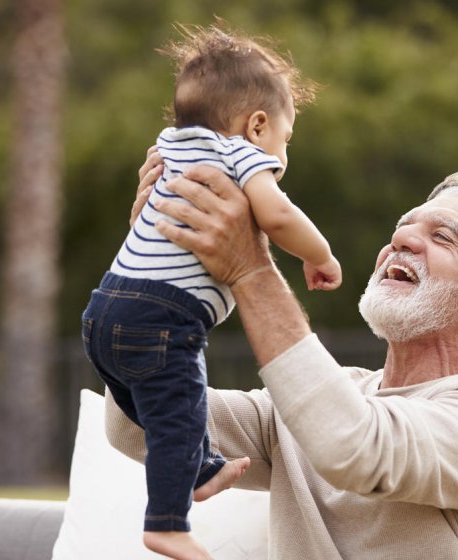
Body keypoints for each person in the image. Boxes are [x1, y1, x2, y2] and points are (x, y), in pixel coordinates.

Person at [106, 164, 458, 559]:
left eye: (442, 236)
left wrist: (250, 268)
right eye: (403, 227)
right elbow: (136, 427)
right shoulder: (321, 401)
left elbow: (353, 447)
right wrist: (150, 269)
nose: (401, 239)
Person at [81, 23, 341, 560]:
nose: (282, 156)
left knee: (166, 410)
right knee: (178, 408)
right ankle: (167, 523)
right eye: (285, 141)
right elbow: (278, 213)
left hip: (103, 309)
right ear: (258, 125)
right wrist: (319, 255)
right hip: (162, 318)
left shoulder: (170, 146)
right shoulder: (242, 155)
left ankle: (200, 466)